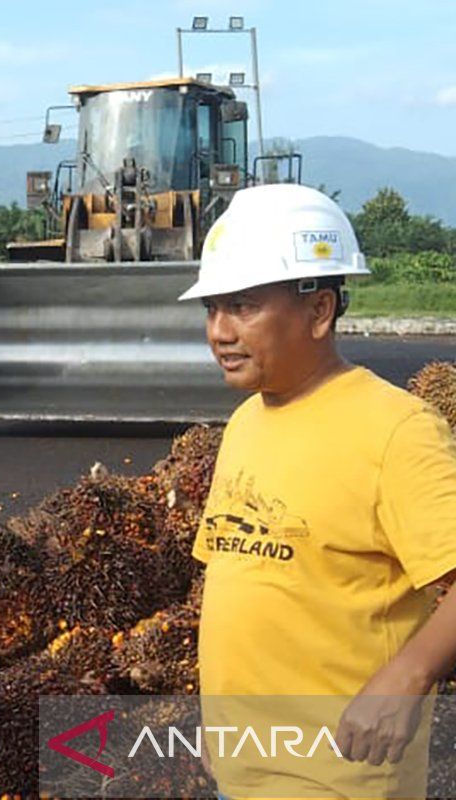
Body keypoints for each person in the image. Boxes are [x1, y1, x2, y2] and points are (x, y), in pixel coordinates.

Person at [182, 183, 456, 798]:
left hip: (339, 779)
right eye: (211, 309)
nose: (220, 332)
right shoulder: (246, 423)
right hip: (242, 771)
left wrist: (409, 675)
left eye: (244, 306)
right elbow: (240, 580)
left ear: (320, 310)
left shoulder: (397, 431)